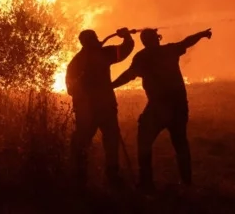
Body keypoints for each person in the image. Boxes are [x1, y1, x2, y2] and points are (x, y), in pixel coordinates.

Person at [111, 27, 212, 191]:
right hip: (178, 105)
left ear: (144, 41)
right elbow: (187, 41)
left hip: (158, 108)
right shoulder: (170, 50)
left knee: (144, 141)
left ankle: (146, 183)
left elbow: (129, 75)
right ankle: (187, 182)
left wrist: (111, 86)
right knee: (180, 143)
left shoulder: (142, 57)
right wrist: (201, 34)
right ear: (157, 38)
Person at [66, 27, 135, 189]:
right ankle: (111, 175)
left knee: (83, 143)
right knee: (110, 141)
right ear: (90, 41)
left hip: (87, 111)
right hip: (104, 108)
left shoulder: (75, 62)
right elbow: (125, 50)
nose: (98, 40)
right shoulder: (103, 54)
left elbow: (70, 89)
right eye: (95, 38)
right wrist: (126, 36)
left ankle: (80, 177)